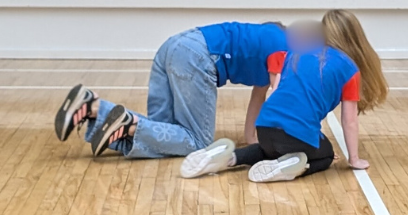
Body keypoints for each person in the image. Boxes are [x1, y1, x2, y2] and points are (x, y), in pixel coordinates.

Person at [180, 9, 388, 182]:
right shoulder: (350, 69)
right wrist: (354, 158)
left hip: (265, 127)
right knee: (325, 155)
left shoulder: (297, 53)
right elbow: (349, 121)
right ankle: (285, 167)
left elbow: (278, 89)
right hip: (295, 134)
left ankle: (230, 158)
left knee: (269, 149)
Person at [57, 21, 290, 160]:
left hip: (173, 46)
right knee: (198, 142)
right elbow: (277, 93)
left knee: (164, 136)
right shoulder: (284, 45)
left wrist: (253, 141)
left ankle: (93, 107)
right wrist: (280, 145)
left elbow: (259, 101)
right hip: (196, 56)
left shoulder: (260, 46)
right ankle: (129, 125)